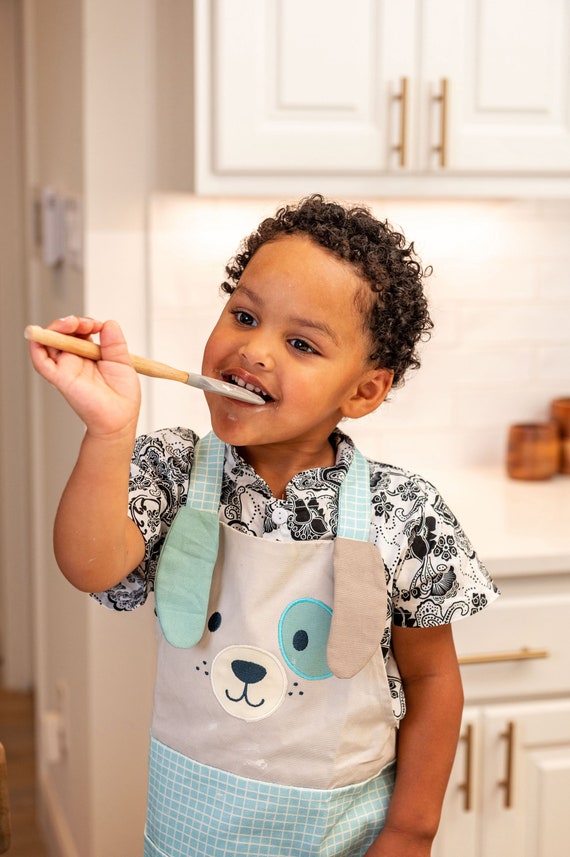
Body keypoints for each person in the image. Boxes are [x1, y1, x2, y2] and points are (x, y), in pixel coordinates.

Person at [29, 195, 499, 857]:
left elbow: (431, 681)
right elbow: (88, 563)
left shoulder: (406, 511)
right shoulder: (170, 467)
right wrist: (109, 430)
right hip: (190, 828)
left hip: (345, 833)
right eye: (244, 315)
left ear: (363, 391)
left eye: (301, 343)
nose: (254, 349)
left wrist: (410, 830)